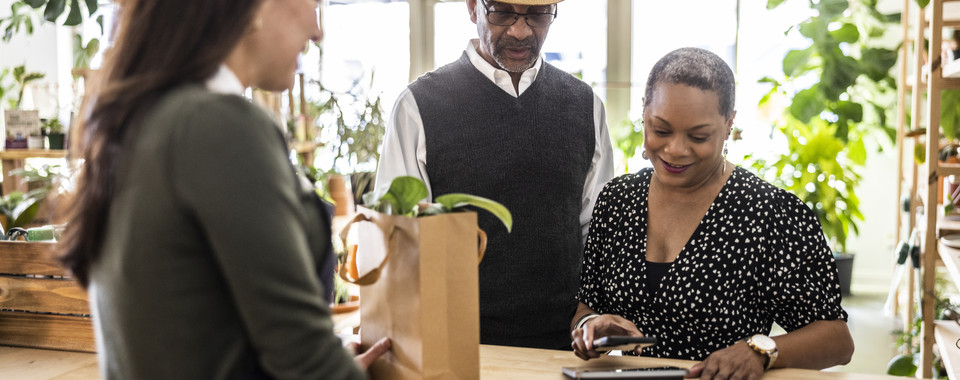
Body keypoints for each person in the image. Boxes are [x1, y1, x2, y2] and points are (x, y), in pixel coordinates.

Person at [59, 0, 389, 378]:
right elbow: (306, 362)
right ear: (254, 8)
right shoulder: (220, 127)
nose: (318, 31)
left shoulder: (138, 121)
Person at [570, 48, 854, 379]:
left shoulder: (771, 214)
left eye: (698, 136)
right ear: (644, 112)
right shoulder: (617, 202)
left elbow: (837, 340)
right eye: (661, 130)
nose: (675, 150)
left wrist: (759, 351)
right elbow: (586, 305)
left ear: (729, 124)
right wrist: (593, 325)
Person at [375, 0, 614, 350]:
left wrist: (592, 320)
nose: (520, 30)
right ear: (473, 7)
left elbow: (597, 233)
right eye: (501, 11)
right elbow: (397, 246)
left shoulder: (585, 105)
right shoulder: (418, 106)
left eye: (538, 13)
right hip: (458, 351)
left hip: (567, 350)